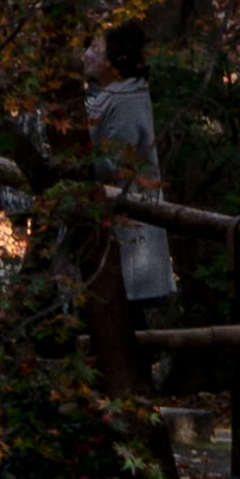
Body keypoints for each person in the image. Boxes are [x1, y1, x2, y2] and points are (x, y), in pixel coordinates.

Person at [83, 22, 179, 309]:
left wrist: (73, 164)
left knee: (127, 323)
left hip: (130, 234)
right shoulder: (110, 96)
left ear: (114, 61)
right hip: (112, 230)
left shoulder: (127, 100)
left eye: (95, 49)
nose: (86, 54)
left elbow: (116, 163)